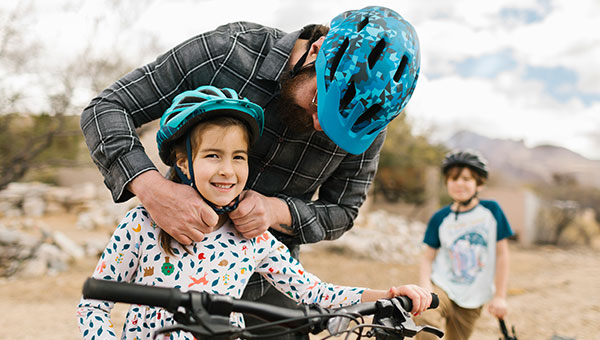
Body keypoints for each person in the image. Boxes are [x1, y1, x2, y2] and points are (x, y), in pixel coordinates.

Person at [80, 6, 420, 339]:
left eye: (339, 127)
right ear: (316, 51)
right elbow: (107, 108)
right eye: (320, 101)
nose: (322, 125)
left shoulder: (365, 119)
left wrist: (275, 211)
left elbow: (342, 216)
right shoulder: (226, 53)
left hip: (273, 293)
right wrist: (153, 189)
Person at [414, 150, 514, 340]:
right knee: (426, 318)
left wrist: (500, 296)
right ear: (447, 183)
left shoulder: (491, 211)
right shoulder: (440, 218)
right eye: (453, 178)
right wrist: (425, 286)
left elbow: (502, 255)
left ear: (480, 184)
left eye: (467, 179)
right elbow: (427, 257)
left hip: (473, 296)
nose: (459, 183)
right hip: (442, 286)